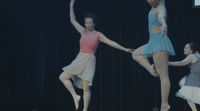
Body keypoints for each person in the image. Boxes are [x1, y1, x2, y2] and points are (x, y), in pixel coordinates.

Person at [59, 0, 134, 111]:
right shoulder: (83, 31)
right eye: (86, 23)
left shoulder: (98, 35)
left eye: (90, 23)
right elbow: (73, 20)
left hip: (89, 60)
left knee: (86, 87)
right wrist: (71, 5)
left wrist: (124, 49)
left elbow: (110, 42)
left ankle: (85, 109)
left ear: (94, 23)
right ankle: (75, 96)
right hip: (80, 58)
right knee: (62, 77)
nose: (87, 25)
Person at [131, 0, 175, 111]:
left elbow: (161, 16)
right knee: (135, 54)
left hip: (160, 44)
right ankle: (150, 67)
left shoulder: (160, 9)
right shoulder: (157, 5)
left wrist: (164, 24)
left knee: (163, 76)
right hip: (152, 43)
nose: (150, 2)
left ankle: (165, 104)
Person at [169, 43, 200, 111]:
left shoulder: (191, 56)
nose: (184, 50)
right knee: (189, 94)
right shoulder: (198, 54)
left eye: (186, 48)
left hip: (194, 78)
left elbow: (181, 63)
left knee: (187, 92)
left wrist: (168, 63)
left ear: (191, 50)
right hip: (195, 77)